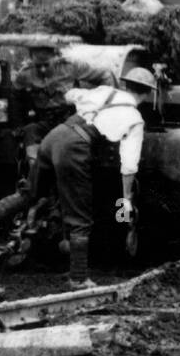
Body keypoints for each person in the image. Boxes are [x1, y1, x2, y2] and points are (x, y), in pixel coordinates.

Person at [30, 68, 156, 288]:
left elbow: (71, 95)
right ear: (147, 95)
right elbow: (128, 166)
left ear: (124, 85)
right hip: (74, 148)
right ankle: (78, 278)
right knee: (80, 217)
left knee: (31, 193)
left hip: (54, 136)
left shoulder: (103, 91)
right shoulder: (135, 119)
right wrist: (125, 200)